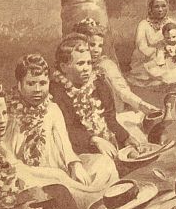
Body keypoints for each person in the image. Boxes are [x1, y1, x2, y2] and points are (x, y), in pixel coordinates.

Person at [0, 77, 85, 209]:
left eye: (5, 113)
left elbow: (17, 173)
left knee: (59, 192)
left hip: (11, 201)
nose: (2, 120)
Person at [4, 54, 119, 201]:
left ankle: (100, 199)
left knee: (104, 164)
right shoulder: (10, 115)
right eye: (31, 83)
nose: (38, 89)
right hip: (31, 176)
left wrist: (74, 164)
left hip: (60, 169)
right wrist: (53, 175)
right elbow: (10, 162)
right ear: (20, 85)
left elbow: (66, 146)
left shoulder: (52, 109)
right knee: (64, 188)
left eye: (42, 83)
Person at [50, 33, 140, 161]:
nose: (87, 68)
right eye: (80, 64)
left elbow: (110, 118)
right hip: (77, 147)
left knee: (136, 150)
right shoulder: (56, 92)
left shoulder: (99, 84)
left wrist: (125, 137)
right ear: (64, 67)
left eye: (89, 63)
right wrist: (94, 140)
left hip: (105, 138)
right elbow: (67, 129)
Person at [73, 18, 158, 115]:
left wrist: (141, 104)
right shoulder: (73, 67)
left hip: (109, 114)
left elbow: (122, 90)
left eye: (100, 46)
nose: (97, 50)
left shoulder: (106, 65)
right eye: (92, 45)